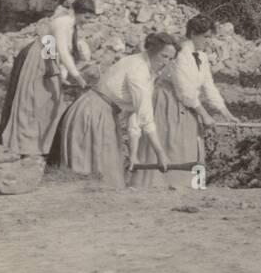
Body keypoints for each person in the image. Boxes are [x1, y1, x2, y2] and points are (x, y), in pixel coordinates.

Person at [49, 32, 178, 187]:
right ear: (152, 50)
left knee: (104, 173)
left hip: (101, 112)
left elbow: (136, 116)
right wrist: (160, 153)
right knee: (92, 174)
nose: (167, 62)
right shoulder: (138, 69)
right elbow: (145, 118)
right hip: (92, 114)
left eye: (171, 59)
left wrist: (134, 154)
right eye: (164, 56)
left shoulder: (145, 68)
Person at [131, 16, 239, 190]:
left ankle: (187, 186)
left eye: (211, 37)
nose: (209, 41)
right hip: (167, 104)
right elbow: (185, 92)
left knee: (189, 142)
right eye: (206, 37)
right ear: (194, 34)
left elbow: (208, 86)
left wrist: (226, 113)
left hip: (187, 105)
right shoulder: (181, 54)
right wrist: (204, 115)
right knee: (172, 142)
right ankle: (161, 185)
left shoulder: (202, 56)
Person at [0, 0, 96, 156]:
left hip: (48, 59)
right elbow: (61, 51)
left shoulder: (72, 26)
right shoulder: (63, 22)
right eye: (86, 17)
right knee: (32, 102)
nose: (87, 21)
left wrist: (61, 74)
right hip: (36, 59)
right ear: (78, 12)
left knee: (52, 102)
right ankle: (24, 145)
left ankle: (43, 146)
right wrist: (77, 76)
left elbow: (56, 52)